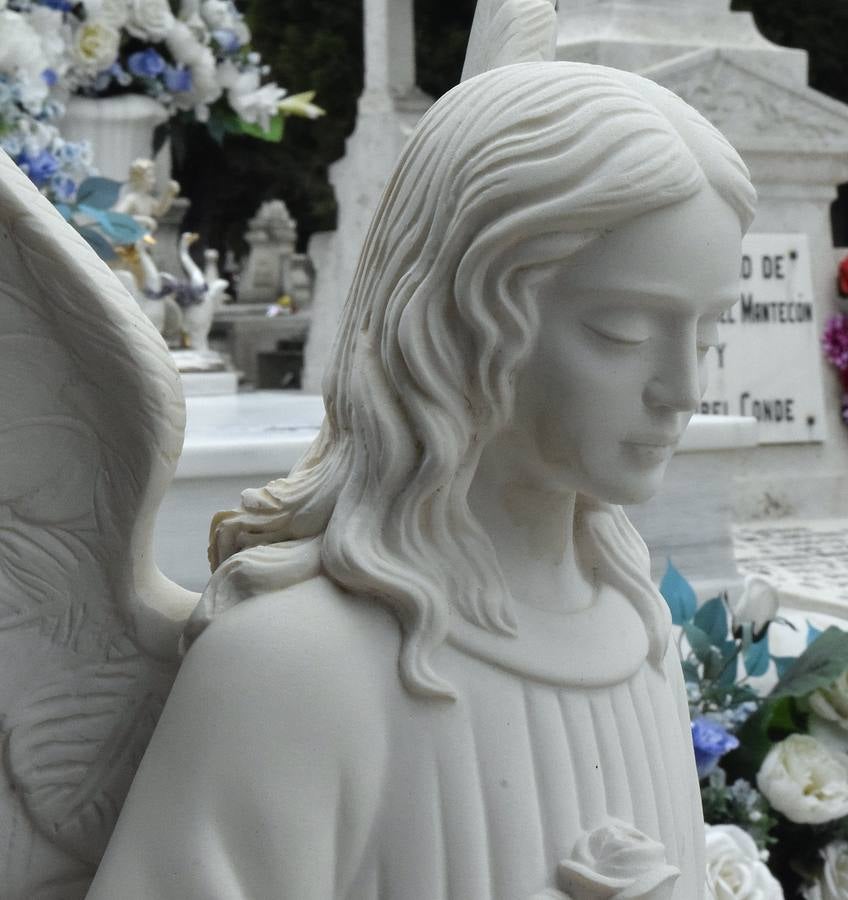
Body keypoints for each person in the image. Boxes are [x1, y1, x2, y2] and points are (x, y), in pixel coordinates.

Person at [88, 59, 756, 899]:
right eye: (622, 330)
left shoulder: (638, 629)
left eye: (706, 333)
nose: (682, 390)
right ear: (464, 320)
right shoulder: (296, 670)